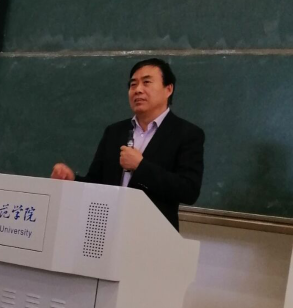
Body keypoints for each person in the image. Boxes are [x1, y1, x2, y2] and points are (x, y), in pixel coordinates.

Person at [51, 58, 204, 231]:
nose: (138, 90)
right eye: (133, 84)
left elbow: (189, 191)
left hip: (153, 234)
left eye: (146, 82)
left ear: (168, 89)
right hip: (107, 231)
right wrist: (72, 180)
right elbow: (96, 182)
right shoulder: (114, 132)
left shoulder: (187, 134)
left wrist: (141, 166)